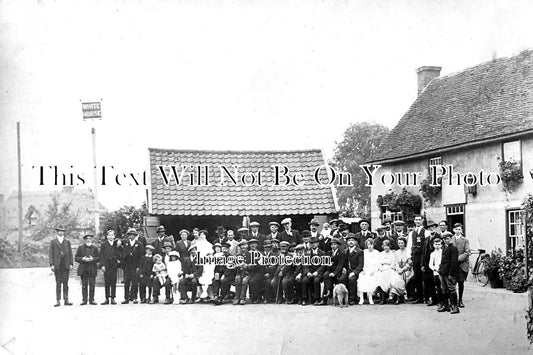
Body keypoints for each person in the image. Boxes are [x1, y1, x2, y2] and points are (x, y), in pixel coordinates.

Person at [49, 226, 73, 307]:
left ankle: (66, 299)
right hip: (57, 265)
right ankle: (58, 300)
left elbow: (70, 253)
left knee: (66, 283)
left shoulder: (67, 242)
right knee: (58, 283)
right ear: (57, 232)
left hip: (65, 265)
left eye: (62, 231)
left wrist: (71, 264)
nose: (61, 232)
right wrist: (52, 264)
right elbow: (51, 254)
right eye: (59, 231)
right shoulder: (53, 242)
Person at [407, 215, 429, 304]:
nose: (418, 221)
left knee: (426, 277)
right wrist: (409, 257)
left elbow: (427, 246)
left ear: (422, 221)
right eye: (416, 220)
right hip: (415, 256)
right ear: (414, 221)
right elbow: (409, 245)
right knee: (417, 277)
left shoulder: (426, 232)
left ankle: (427, 297)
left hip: (423, 256)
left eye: (419, 220)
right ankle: (419, 297)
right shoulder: (412, 233)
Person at [375, 240, 404, 305]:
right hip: (382, 269)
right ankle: (383, 298)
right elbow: (378, 263)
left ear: (390, 246)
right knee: (379, 277)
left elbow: (393, 264)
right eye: (384, 246)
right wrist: (380, 268)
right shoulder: (381, 254)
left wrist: (389, 269)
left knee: (394, 279)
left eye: (387, 246)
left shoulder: (393, 254)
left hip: (390, 269)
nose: (386, 247)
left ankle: (395, 297)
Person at [320, 238, 347, 305]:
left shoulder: (341, 253)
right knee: (326, 275)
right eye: (332, 244)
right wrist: (328, 266)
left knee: (340, 279)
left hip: (338, 271)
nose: (333, 246)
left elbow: (340, 265)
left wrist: (334, 273)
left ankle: (342, 299)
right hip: (330, 270)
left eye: (335, 244)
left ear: (338, 245)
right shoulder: (328, 253)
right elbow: (326, 263)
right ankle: (325, 297)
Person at [75, 234, 100, 305]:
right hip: (84, 269)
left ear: (92, 240)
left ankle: (92, 299)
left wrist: (93, 259)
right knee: (84, 284)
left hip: (92, 269)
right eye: (87, 239)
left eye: (90, 239)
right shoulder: (80, 248)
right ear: (85, 240)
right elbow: (76, 258)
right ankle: (84, 300)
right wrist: (82, 259)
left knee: (92, 284)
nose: (88, 240)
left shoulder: (94, 248)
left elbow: (98, 258)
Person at [438, 232, 460, 314]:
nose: (445, 240)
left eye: (447, 238)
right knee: (444, 289)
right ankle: (446, 305)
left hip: (449, 273)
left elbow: (454, 262)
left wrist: (451, 274)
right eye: (444, 239)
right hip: (443, 272)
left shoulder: (453, 248)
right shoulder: (444, 247)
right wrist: (440, 270)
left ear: (451, 239)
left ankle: (454, 306)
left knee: (451, 289)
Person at [121, 228, 143, 304]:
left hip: (135, 266)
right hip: (127, 266)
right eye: (130, 235)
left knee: (135, 282)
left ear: (135, 236)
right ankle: (126, 298)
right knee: (126, 282)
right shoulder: (125, 243)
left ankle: (134, 297)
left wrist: (139, 267)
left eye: (133, 235)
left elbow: (141, 256)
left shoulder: (139, 244)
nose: (131, 236)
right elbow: (122, 253)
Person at [99, 230, 122, 305]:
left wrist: (118, 260)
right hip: (106, 265)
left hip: (114, 265)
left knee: (113, 282)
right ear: (107, 236)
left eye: (112, 235)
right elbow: (101, 255)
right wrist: (102, 265)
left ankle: (113, 298)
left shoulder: (116, 244)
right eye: (109, 235)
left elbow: (120, 252)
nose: (111, 236)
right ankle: (106, 298)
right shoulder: (104, 245)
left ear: (114, 236)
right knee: (107, 282)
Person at [302, 236, 325, 306]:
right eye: (311, 243)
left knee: (316, 280)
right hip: (310, 272)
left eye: (315, 243)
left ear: (318, 243)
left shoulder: (322, 253)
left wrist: (317, 272)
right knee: (304, 280)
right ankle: (304, 299)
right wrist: (308, 272)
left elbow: (323, 265)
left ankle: (317, 299)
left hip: (318, 273)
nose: (313, 245)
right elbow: (305, 264)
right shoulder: (307, 253)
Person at [452, 223, 470, 308]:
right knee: (452, 282)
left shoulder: (465, 240)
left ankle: (460, 300)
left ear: (461, 230)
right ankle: (453, 300)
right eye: (456, 229)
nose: (458, 231)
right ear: (453, 230)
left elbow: (467, 252)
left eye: (459, 229)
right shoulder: (451, 239)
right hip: (452, 265)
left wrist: (458, 259)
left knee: (461, 282)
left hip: (462, 264)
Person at [357, 239, 380, 305]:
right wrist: (363, 270)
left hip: (374, 270)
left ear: (373, 245)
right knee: (362, 277)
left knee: (370, 278)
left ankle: (370, 298)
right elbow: (362, 262)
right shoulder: (364, 252)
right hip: (365, 269)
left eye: (371, 244)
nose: (370, 246)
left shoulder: (377, 253)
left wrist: (374, 271)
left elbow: (378, 264)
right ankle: (361, 298)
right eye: (368, 244)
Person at [421, 220, 439, 305]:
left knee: (438, 282)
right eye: (430, 227)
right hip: (428, 263)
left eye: (433, 227)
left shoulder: (439, 237)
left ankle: (440, 300)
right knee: (429, 281)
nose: (432, 229)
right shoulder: (426, 239)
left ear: (435, 228)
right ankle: (432, 299)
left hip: (436, 263)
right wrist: (422, 264)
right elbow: (423, 252)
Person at [345, 233, 364, 305]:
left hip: (356, 271)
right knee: (342, 278)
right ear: (347, 242)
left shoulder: (359, 251)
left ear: (355, 242)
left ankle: (353, 298)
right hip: (348, 270)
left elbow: (361, 265)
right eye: (349, 240)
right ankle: (345, 297)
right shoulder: (346, 251)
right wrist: (344, 269)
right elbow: (344, 262)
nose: (351, 242)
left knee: (352, 279)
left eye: (352, 240)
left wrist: (354, 272)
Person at [196, 230, 214, 301]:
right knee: (201, 277)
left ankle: (209, 295)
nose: (202, 236)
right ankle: (201, 295)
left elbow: (210, 254)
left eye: (203, 234)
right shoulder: (197, 244)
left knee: (208, 277)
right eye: (201, 234)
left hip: (207, 264)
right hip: (200, 263)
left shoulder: (209, 244)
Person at [394, 237, 413, 304]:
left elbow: (410, 263)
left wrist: (403, 269)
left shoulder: (408, 251)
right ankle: (398, 295)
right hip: (399, 270)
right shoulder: (396, 252)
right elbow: (395, 262)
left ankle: (401, 295)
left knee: (404, 277)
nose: (400, 244)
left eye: (402, 243)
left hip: (408, 270)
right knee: (395, 277)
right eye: (399, 243)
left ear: (405, 243)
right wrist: (398, 269)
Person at [234, 240, 251, 305]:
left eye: (245, 245)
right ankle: (237, 298)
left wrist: (246, 266)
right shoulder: (238, 256)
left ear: (247, 246)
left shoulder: (250, 255)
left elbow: (253, 266)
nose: (243, 247)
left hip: (248, 273)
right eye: (242, 246)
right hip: (239, 272)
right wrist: (237, 266)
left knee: (244, 281)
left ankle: (242, 298)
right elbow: (233, 265)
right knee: (237, 279)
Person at [429, 235, 443, 309]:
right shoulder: (432, 254)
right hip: (436, 273)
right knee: (438, 288)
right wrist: (435, 269)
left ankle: (445, 302)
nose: (437, 246)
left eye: (439, 244)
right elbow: (430, 264)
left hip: (443, 272)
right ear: (433, 245)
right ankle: (440, 302)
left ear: (441, 245)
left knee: (443, 287)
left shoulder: (443, 252)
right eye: (436, 244)